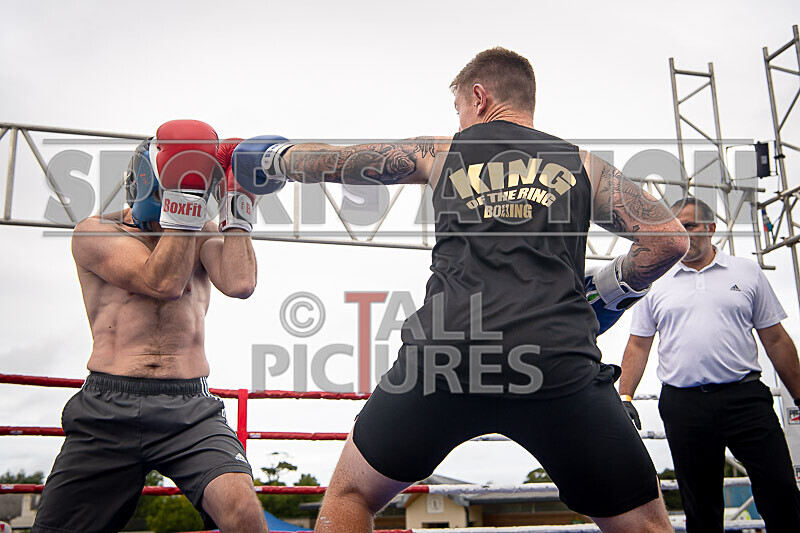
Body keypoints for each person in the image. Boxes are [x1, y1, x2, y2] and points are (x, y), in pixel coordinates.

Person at [233, 48, 689, 532]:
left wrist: (273, 159)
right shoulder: (582, 164)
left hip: (446, 357)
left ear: (478, 96)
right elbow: (669, 240)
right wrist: (607, 288)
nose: (459, 121)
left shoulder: (446, 151)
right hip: (556, 362)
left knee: (351, 495)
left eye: (457, 110)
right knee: (647, 524)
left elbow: (341, 162)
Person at [32, 120, 269, 533]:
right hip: (107, 408)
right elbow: (161, 283)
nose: (178, 208)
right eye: (175, 192)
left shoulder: (205, 232)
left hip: (189, 408)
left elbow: (241, 283)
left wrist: (238, 207)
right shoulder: (95, 232)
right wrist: (187, 200)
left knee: (244, 514)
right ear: (145, 184)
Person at [619, 197, 800, 532]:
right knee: (700, 505)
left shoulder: (746, 272)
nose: (683, 234)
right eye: (676, 228)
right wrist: (625, 397)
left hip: (746, 399)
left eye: (689, 226)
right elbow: (638, 344)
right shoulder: (655, 279)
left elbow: (775, 339)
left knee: (781, 491)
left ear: (711, 229)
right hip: (684, 405)